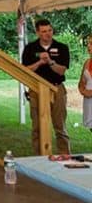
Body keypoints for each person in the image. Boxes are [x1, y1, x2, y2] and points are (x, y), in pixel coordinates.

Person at [21, 19, 70, 155]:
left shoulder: (62, 48)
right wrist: (39, 62)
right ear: (37, 32)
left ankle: (65, 156)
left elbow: (62, 70)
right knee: (37, 127)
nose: (48, 34)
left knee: (60, 126)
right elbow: (25, 70)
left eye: (50, 30)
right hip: (36, 89)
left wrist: (50, 61)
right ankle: (39, 157)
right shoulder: (30, 49)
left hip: (57, 88)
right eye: (44, 31)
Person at [78, 35, 92, 132]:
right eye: (88, 44)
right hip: (88, 102)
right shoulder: (87, 62)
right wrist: (83, 90)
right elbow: (81, 82)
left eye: (91, 44)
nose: (89, 46)